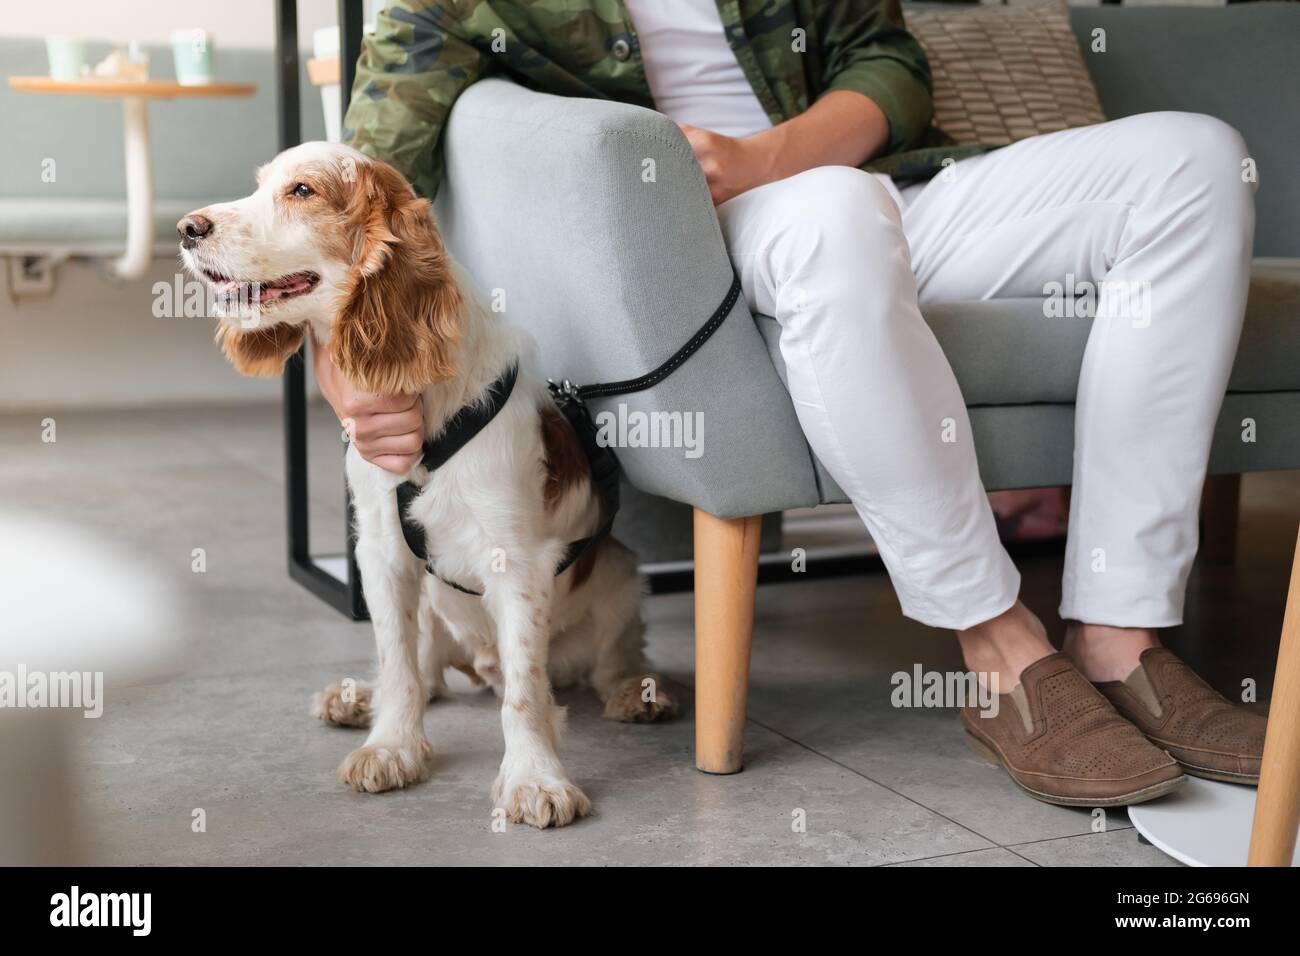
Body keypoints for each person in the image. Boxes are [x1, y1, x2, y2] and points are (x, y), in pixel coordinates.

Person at [323, 0, 1265, 805]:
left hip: (862, 187)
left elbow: (888, 61)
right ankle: (1000, 651)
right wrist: (351, 375)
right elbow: (356, 183)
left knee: (1198, 160)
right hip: (699, 244)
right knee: (832, 219)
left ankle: (1117, 632)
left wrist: (768, 154)